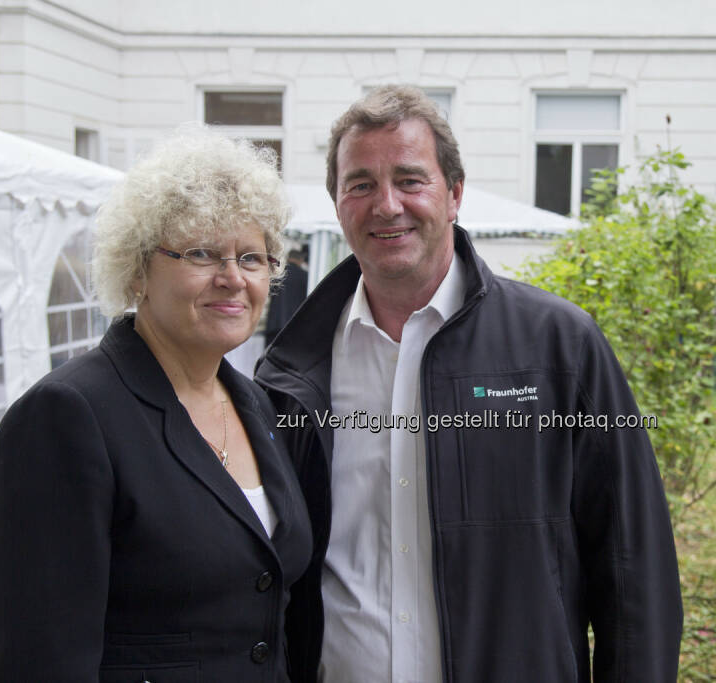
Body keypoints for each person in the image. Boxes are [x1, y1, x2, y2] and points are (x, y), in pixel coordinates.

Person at [256, 86, 682, 682]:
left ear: (454, 194)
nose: (386, 205)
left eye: (410, 180)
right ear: (337, 203)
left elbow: (635, 565)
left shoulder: (560, 348)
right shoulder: (292, 374)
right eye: (360, 184)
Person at [0, 127, 313, 682]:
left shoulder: (255, 402)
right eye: (202, 253)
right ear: (138, 269)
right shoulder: (68, 416)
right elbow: (38, 663)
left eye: (252, 257)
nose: (233, 279)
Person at [265, 246, 310, 346]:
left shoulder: (279, 274)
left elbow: (269, 292)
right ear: (301, 260)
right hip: (294, 325)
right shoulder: (305, 276)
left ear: (288, 257)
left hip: (275, 323)